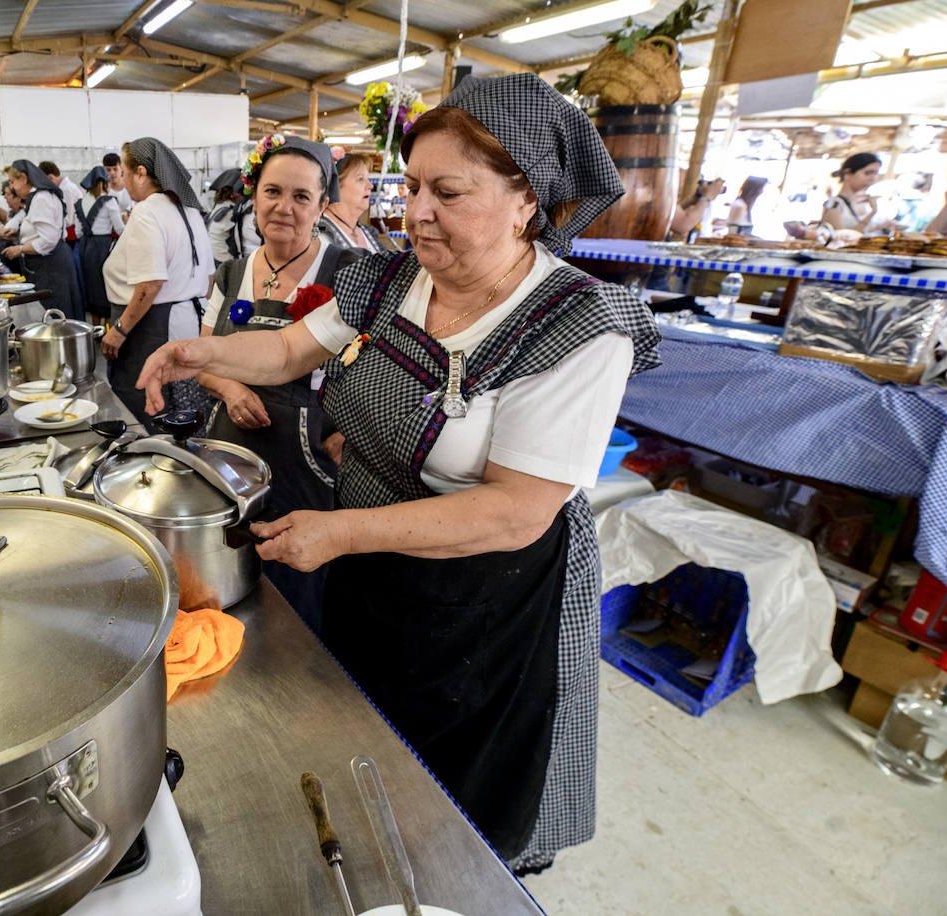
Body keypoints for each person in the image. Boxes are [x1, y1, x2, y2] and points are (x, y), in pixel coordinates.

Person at [136, 73, 660, 871]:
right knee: (365, 734)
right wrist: (196, 351)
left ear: (527, 200)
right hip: (372, 570)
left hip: (479, 600)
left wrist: (341, 529)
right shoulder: (393, 279)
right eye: (410, 185)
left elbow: (516, 512)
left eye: (447, 191)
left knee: (448, 793)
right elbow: (286, 349)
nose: (416, 211)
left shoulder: (575, 326)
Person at [198, 135, 365, 628]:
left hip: (308, 459)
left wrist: (346, 437)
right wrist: (229, 388)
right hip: (229, 451)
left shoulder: (346, 272)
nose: (283, 208)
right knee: (228, 577)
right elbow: (205, 359)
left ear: (321, 208)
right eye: (272, 192)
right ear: (254, 196)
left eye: (301, 197)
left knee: (297, 592)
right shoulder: (229, 275)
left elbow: (379, 368)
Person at [102, 137, 215, 427]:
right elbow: (210, 278)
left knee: (146, 403)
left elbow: (150, 283)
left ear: (141, 173)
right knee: (180, 403)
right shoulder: (189, 210)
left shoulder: (147, 211)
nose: (124, 183)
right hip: (188, 317)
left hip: (149, 328)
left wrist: (119, 330)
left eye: (125, 174)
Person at [2, 160, 85, 321]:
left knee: (56, 314)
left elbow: (48, 240)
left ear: (24, 178)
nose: (12, 187)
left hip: (50, 265)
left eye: (12, 182)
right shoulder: (40, 196)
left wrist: (19, 249)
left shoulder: (41, 198)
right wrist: (19, 232)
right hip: (52, 262)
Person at [75, 165, 126, 321]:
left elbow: (78, 231)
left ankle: (95, 326)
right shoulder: (109, 201)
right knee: (105, 286)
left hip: (84, 247)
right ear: (104, 183)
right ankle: (107, 327)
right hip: (103, 247)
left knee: (90, 287)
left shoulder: (80, 202)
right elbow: (120, 230)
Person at [317, 149, 386, 253]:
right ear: (336, 185)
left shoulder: (369, 232)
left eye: (368, 179)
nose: (370, 186)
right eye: (360, 179)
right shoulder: (320, 234)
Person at [821, 153, 881, 231]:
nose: (872, 179)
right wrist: (873, 212)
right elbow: (842, 238)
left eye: (875, 174)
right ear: (848, 174)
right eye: (868, 173)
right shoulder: (833, 204)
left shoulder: (860, 202)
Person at [39, 160, 85, 249]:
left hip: (71, 235)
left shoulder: (66, 189)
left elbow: (69, 220)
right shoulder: (63, 188)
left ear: (51, 177)